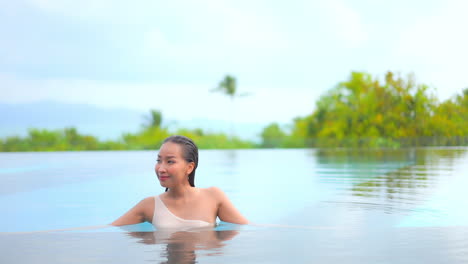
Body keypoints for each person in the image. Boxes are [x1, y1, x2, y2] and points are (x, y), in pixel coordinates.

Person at [111, 135, 248, 229]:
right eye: (159, 160)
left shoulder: (213, 196)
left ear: (189, 167)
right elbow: (109, 231)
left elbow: (246, 229)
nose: (161, 168)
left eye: (170, 161)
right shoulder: (148, 205)